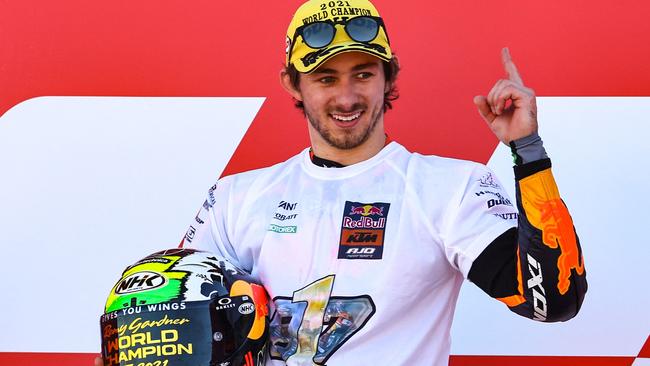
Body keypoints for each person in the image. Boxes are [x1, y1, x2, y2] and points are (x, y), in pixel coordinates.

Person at [97, 0, 586, 365]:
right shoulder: (235, 198)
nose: (347, 96)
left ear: (389, 78)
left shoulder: (448, 188)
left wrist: (528, 153)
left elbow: (553, 301)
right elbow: (175, 318)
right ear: (293, 83)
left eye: (363, 74)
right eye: (326, 78)